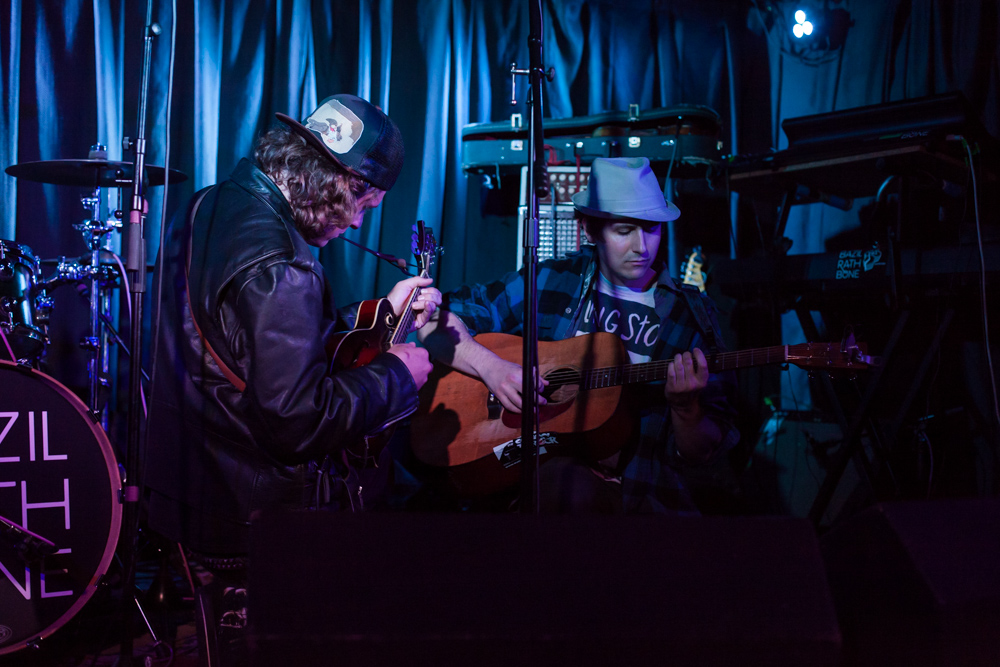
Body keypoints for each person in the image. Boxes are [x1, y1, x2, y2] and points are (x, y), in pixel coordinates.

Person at [145, 94, 439, 558]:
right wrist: (396, 376)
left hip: (186, 490)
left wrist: (381, 311)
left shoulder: (211, 202)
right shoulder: (284, 263)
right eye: (367, 204)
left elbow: (243, 341)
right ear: (345, 183)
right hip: (250, 517)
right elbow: (298, 423)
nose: (360, 224)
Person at [417, 157, 738, 514]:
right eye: (624, 230)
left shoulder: (690, 315)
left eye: (652, 229)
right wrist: (491, 368)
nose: (642, 247)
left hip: (638, 499)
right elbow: (433, 317)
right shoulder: (551, 281)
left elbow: (705, 453)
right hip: (532, 465)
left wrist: (686, 409)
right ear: (588, 230)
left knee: (567, 488)